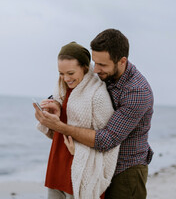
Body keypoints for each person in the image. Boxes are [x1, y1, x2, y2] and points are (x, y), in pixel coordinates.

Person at [34, 29, 154, 199]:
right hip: (95, 167)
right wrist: (55, 104)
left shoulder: (136, 92)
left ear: (122, 61)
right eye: (95, 62)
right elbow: (75, 91)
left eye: (102, 65)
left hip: (125, 171)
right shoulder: (102, 74)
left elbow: (106, 140)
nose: (95, 70)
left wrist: (61, 127)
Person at [35, 42, 119, 199]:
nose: (65, 78)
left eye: (70, 73)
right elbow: (60, 126)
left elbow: (108, 143)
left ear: (85, 68)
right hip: (58, 161)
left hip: (80, 167)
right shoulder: (61, 88)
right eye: (61, 73)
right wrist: (53, 110)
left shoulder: (98, 95)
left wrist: (79, 151)